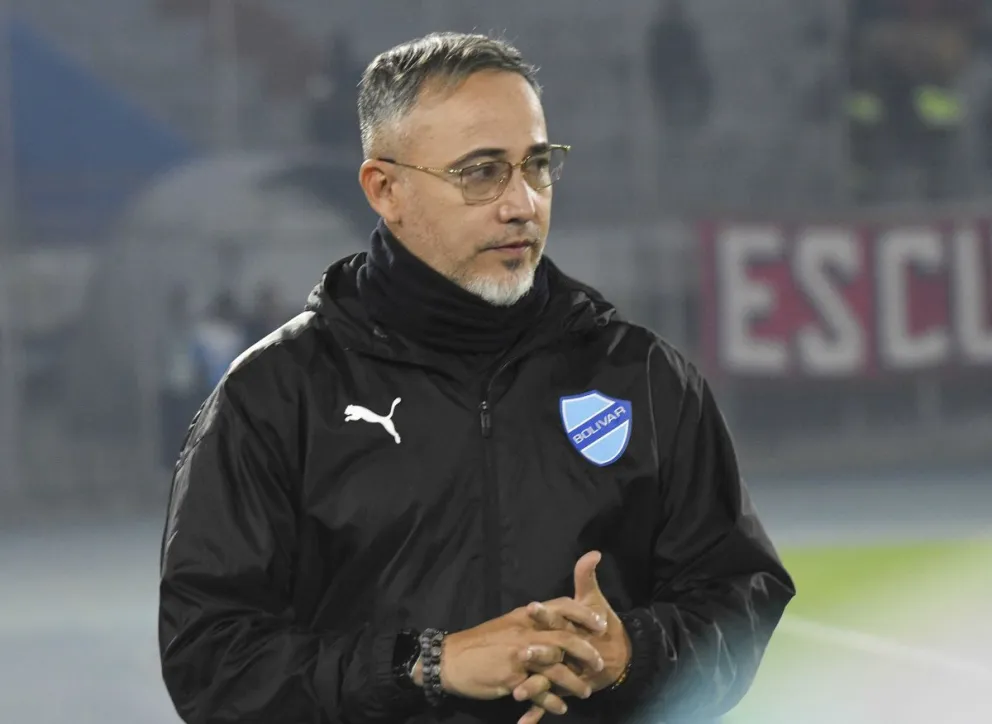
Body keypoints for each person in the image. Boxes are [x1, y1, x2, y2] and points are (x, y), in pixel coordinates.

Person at [158, 32, 796, 724]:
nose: (522, 203)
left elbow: (738, 592)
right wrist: (426, 664)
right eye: (482, 172)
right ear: (386, 189)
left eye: (537, 165)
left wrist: (631, 654)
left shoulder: (643, 378)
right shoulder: (273, 399)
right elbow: (211, 659)